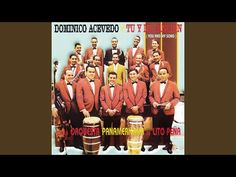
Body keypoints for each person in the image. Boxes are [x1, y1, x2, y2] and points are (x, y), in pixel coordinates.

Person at [148, 67, 180, 154]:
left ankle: (167, 145)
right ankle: (154, 145)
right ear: (158, 75)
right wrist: (153, 102)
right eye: (160, 73)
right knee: (156, 129)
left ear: (168, 74)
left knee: (167, 129)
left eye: (164, 73)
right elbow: (150, 96)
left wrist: (170, 104)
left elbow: (177, 97)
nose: (162, 75)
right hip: (156, 110)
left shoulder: (173, 84)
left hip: (168, 111)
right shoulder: (154, 84)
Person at [52, 68, 80, 151]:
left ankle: (77, 144)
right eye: (68, 75)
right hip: (63, 109)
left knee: (76, 127)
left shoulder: (75, 84)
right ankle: (62, 145)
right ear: (64, 75)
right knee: (63, 127)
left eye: (72, 75)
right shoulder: (58, 84)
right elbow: (56, 97)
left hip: (74, 109)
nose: (70, 76)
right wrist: (60, 105)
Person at [123, 68, 147, 151]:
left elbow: (144, 96)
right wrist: (132, 107)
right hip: (129, 110)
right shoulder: (125, 84)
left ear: (137, 75)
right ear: (129, 76)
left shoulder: (143, 84)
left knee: (140, 127)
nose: (132, 75)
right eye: (131, 74)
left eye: (134, 74)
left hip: (140, 109)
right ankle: (127, 143)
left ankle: (141, 144)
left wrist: (137, 107)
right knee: (128, 128)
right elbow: (126, 97)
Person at [100, 72, 124, 151]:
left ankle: (117, 144)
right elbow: (102, 100)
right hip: (106, 113)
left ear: (116, 79)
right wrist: (108, 110)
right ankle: (106, 144)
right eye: (111, 77)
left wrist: (115, 110)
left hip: (117, 113)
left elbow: (121, 100)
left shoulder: (120, 88)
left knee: (116, 129)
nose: (112, 79)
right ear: (108, 78)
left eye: (114, 78)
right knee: (107, 130)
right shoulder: (103, 88)